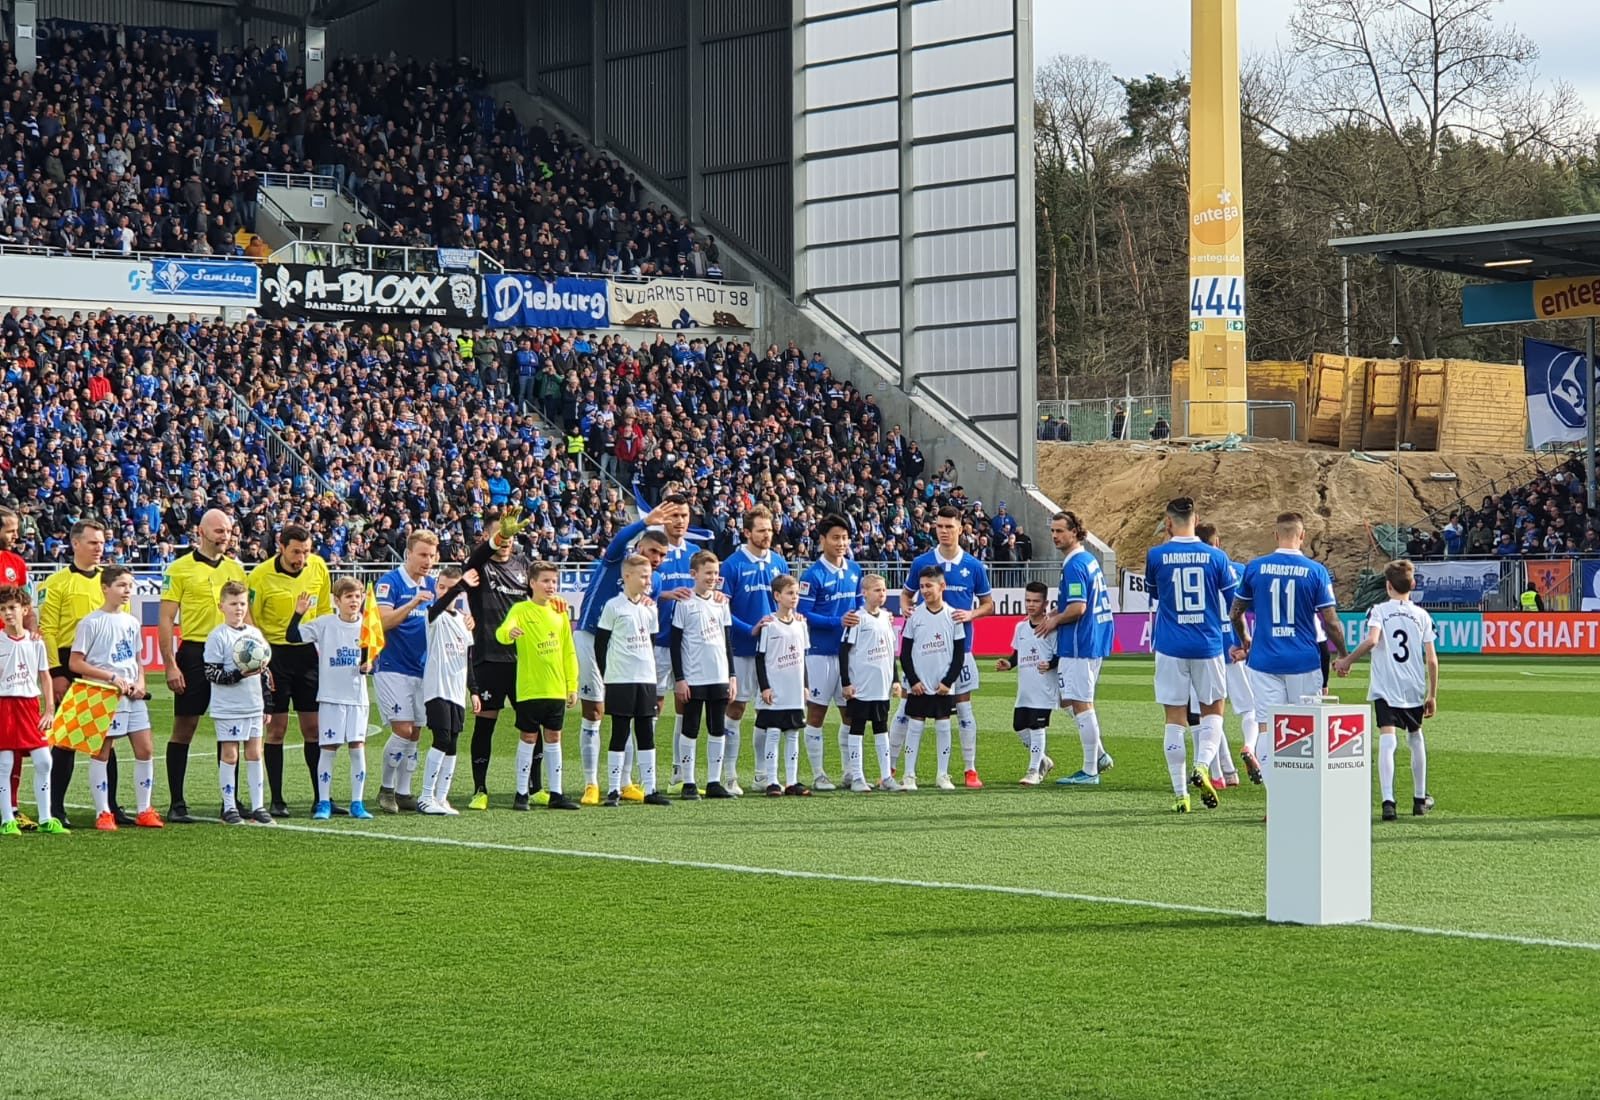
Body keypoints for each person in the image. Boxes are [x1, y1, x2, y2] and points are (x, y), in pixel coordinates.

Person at [1230, 512, 1347, 790]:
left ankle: (1277, 801)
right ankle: (1304, 794)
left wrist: (1245, 637)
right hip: (1303, 661)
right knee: (1307, 728)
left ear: (1275, 535)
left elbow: (1235, 612)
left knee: (1267, 727)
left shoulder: (1255, 568)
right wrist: (1343, 653)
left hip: (1264, 660)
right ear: (1302, 536)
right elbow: (1330, 621)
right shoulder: (1315, 571)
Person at [574, 508, 673, 804]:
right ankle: (592, 782)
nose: (657, 558)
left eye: (662, 555)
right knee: (595, 712)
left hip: (626, 653)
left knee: (629, 714)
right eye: (653, 551)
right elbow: (618, 539)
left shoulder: (648, 585)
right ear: (641, 546)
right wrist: (645, 521)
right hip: (592, 635)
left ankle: (627, 781)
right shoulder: (619, 559)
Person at [1146, 497, 1236, 813]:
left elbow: (1155, 594)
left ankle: (1180, 794)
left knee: (1174, 719)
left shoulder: (1156, 555)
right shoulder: (1217, 557)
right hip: (1208, 645)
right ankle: (1202, 765)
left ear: (1168, 522)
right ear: (1196, 519)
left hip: (1170, 646)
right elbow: (1233, 603)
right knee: (1213, 712)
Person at [893, 506, 993, 788]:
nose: (944, 531)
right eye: (940, 526)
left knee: (962, 709)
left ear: (961, 528)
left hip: (961, 649)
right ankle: (892, 767)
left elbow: (988, 604)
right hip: (924, 652)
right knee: (907, 708)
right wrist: (906, 609)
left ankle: (969, 769)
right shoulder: (922, 562)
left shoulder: (973, 565)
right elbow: (906, 594)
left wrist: (971, 614)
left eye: (950, 526)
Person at [160, 508, 248, 824]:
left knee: (231, 729)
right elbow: (167, 620)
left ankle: (231, 800)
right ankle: (177, 802)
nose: (225, 536)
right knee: (185, 727)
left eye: (228, 531)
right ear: (201, 531)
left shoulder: (236, 569)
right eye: (219, 531)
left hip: (231, 653)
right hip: (196, 652)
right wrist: (171, 664)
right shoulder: (179, 569)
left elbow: (245, 616)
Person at [1335, 560, 1438, 821]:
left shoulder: (1378, 610)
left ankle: (1388, 802)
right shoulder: (1422, 615)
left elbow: (1372, 640)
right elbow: (1432, 659)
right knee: (1415, 738)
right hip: (1413, 685)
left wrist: (1346, 660)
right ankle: (1419, 798)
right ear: (1413, 585)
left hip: (1386, 686)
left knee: (1387, 739)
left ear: (1387, 585)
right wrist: (1432, 694)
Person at [39, 519, 124, 828]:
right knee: (65, 741)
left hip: (104, 668)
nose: (99, 547)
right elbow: (46, 630)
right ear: (75, 544)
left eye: (102, 542)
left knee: (106, 739)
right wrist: (56, 672)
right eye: (92, 542)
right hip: (69, 665)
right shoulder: (56, 583)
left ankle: (110, 806)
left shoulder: (110, 581)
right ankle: (55, 807)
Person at [247, 523, 333, 816]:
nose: (302, 559)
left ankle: (321, 797)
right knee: (277, 729)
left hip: (308, 654)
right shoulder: (260, 576)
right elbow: (252, 618)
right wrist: (262, 656)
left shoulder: (318, 567)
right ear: (280, 547)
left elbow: (324, 611)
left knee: (314, 728)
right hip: (275, 656)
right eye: (296, 552)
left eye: (306, 552)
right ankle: (277, 799)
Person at [70, 567, 163, 830]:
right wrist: (110, 678)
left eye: (130, 586)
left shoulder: (132, 622)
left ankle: (145, 809)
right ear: (105, 587)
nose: (127, 591)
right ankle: (103, 812)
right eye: (121, 586)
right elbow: (76, 662)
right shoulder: (91, 622)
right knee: (102, 752)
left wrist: (140, 685)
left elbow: (137, 661)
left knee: (145, 749)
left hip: (132, 698)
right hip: (104, 696)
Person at [460, 508, 535, 810]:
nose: (506, 540)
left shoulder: (524, 565)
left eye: (510, 535)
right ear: (487, 537)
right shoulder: (479, 567)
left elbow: (539, 597)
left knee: (532, 723)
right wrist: (496, 537)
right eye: (500, 534)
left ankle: (536, 787)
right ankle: (480, 789)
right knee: (485, 724)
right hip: (488, 658)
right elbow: (473, 559)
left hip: (522, 660)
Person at [495, 561, 581, 811]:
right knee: (528, 738)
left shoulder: (560, 612)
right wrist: (508, 634)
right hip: (530, 687)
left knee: (554, 738)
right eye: (545, 581)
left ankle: (557, 793)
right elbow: (502, 631)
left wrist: (572, 685)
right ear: (532, 583)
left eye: (554, 581)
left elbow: (568, 651)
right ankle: (521, 793)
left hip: (555, 688)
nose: (551, 586)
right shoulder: (520, 609)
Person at [1038, 510, 1115, 786]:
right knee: (1067, 700)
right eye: (1053, 531)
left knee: (1081, 703)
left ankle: (1090, 770)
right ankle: (1101, 755)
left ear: (1075, 532)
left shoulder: (1074, 564)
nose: (1055, 536)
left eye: (1060, 531)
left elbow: (1079, 608)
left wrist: (1054, 620)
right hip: (1091, 639)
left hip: (1081, 642)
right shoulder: (1087, 560)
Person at [287, 579, 375, 820]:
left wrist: (369, 665)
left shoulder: (368, 626)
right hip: (330, 697)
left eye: (357, 597)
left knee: (357, 748)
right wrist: (298, 613)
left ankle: (357, 803)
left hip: (357, 698)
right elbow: (292, 636)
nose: (354, 601)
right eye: (348, 597)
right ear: (337, 601)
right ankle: (323, 802)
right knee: (328, 749)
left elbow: (373, 658)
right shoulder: (325, 624)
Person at [720, 505, 789, 795]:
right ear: (747, 532)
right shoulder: (732, 565)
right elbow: (722, 607)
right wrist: (749, 628)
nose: (767, 534)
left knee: (768, 711)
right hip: (742, 648)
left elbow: (786, 603)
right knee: (736, 708)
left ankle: (763, 774)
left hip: (772, 652)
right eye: (761, 529)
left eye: (770, 529)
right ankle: (729, 775)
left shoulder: (779, 563)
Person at [594, 555, 670, 807]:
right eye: (643, 576)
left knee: (646, 732)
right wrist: (608, 674)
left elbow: (652, 640)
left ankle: (650, 789)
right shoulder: (613, 606)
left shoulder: (650, 607)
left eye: (649, 575)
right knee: (620, 732)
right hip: (620, 679)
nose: (648, 580)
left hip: (646, 679)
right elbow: (600, 643)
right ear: (627, 577)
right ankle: (614, 789)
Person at [374, 531, 440, 814]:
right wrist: (412, 603)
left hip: (423, 668)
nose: (428, 561)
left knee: (415, 732)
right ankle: (386, 789)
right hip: (392, 666)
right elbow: (382, 621)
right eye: (423, 555)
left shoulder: (434, 585)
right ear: (409, 553)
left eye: (432, 555)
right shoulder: (390, 582)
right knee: (402, 729)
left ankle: (403, 791)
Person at [797, 514, 863, 791]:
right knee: (817, 713)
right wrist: (837, 622)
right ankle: (818, 773)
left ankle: (850, 771)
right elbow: (803, 613)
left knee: (850, 713)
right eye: (835, 537)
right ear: (822, 540)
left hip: (849, 654)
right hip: (820, 653)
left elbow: (859, 604)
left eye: (845, 538)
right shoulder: (812, 575)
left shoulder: (855, 569)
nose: (841, 543)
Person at [203, 580, 274, 826]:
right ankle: (230, 807)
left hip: (253, 705)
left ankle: (258, 806)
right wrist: (237, 675)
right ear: (221, 606)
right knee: (231, 754)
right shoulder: (217, 636)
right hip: (228, 707)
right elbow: (211, 673)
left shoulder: (254, 635)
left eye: (242, 603)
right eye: (233, 604)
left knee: (255, 753)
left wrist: (267, 703)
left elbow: (265, 672)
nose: (239, 608)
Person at [670, 551, 735, 800]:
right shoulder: (684, 603)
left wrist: (731, 675)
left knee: (717, 728)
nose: (713, 578)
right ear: (694, 574)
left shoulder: (721, 602)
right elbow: (676, 644)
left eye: (716, 573)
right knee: (691, 728)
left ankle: (713, 782)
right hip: (694, 677)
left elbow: (727, 642)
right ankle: (688, 782)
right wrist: (680, 678)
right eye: (708, 573)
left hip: (719, 675)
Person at [0, 585, 62, 835]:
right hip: (4, 705)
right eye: (3, 609)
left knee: (44, 760)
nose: (8, 613)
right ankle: (7, 820)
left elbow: (45, 677)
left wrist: (49, 710)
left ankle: (46, 818)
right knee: (4, 764)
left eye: (12, 608)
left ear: (25, 610)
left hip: (29, 705)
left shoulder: (36, 641)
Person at [1197, 524, 1256, 786]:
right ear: (1217, 541)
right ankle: (1250, 746)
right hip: (1236, 648)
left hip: (1207, 650)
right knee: (1251, 709)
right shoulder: (1239, 570)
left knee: (1210, 712)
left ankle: (1223, 773)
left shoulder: (1194, 570)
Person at [646, 495, 698, 794]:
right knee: (653, 706)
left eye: (684, 515)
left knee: (686, 703)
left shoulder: (696, 553)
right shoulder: (651, 551)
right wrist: (663, 594)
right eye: (675, 515)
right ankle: (646, 773)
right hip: (655, 642)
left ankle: (681, 771)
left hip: (688, 646)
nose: (680, 521)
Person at [898, 566, 966, 792]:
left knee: (943, 727)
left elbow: (959, 654)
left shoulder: (953, 616)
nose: (925, 590)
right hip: (919, 686)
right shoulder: (914, 616)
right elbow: (905, 653)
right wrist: (913, 680)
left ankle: (943, 775)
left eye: (929, 585)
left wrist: (948, 682)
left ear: (942, 586)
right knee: (915, 726)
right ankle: (909, 775)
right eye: (922, 586)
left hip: (943, 687)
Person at [418, 565, 477, 815]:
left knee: (452, 743)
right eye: (441, 587)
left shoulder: (464, 622)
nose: (445, 592)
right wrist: (459, 586)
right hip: (437, 688)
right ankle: (425, 796)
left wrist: (473, 690)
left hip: (456, 691)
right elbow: (439, 606)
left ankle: (442, 797)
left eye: (450, 588)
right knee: (441, 739)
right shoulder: (434, 615)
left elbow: (468, 659)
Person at [839, 573, 900, 791]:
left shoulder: (886, 617)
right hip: (861, 686)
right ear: (864, 593)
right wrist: (846, 682)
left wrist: (895, 679)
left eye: (883, 590)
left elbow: (891, 651)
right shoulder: (857, 618)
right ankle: (857, 777)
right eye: (876, 590)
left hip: (881, 687)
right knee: (857, 728)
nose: (881, 594)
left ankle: (886, 777)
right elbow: (844, 651)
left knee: (882, 729)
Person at [995, 582, 1058, 786]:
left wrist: (1050, 664)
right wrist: (1009, 663)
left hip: (1044, 687)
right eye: (1028, 600)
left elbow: (1061, 655)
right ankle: (1043, 760)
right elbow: (1018, 653)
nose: (1031, 605)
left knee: (1036, 725)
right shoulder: (1020, 627)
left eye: (1036, 601)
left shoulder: (1052, 628)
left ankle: (1033, 770)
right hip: (1025, 687)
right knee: (1019, 725)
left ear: (1045, 603)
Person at [755, 573, 810, 797]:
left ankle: (792, 780)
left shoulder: (800, 624)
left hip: (794, 689)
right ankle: (772, 781)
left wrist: (805, 685)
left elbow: (803, 657)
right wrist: (765, 687)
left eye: (796, 593)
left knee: (793, 734)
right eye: (789, 593)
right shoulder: (769, 625)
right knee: (774, 733)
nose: (794, 597)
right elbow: (760, 658)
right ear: (777, 596)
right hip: (776, 689)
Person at [0, 508, 38, 828]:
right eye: (11, 530)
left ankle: (11, 807)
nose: (17, 535)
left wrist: (33, 632)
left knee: (12, 740)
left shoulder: (17, 564)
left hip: (15, 655)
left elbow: (28, 607)